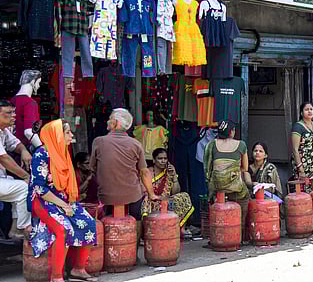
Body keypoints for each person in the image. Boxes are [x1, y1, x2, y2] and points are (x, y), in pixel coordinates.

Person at [29, 119, 97, 282]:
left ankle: (78, 269)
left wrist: (69, 204)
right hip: (43, 202)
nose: (71, 135)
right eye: (67, 132)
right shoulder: (41, 154)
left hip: (63, 200)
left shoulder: (63, 152)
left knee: (88, 222)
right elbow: (40, 189)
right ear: (56, 134)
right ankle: (57, 276)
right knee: (62, 229)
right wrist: (65, 206)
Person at [90, 108, 160, 260]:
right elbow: (144, 172)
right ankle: (132, 253)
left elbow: (92, 168)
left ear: (116, 123)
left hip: (106, 195)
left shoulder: (98, 142)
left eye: (110, 119)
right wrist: (151, 194)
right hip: (132, 194)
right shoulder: (135, 144)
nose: (108, 121)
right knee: (138, 216)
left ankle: (108, 255)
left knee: (106, 216)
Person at [203, 120, 251, 241]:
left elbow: (207, 169)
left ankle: (216, 236)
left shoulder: (211, 145)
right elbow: (245, 168)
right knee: (244, 197)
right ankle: (240, 232)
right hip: (234, 186)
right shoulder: (241, 145)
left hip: (217, 187)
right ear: (231, 132)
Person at [141, 148, 194, 237]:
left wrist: (174, 176)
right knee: (146, 201)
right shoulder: (148, 172)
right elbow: (143, 191)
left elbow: (175, 192)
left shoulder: (169, 172)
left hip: (166, 201)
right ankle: (148, 232)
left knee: (184, 196)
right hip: (151, 201)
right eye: (160, 158)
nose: (163, 161)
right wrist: (156, 197)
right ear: (154, 160)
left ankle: (180, 228)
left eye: (165, 159)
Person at [0, 100, 31, 240]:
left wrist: (24, 150)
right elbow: (4, 159)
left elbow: (15, 144)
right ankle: (22, 229)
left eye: (14, 112)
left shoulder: (4, 131)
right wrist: (26, 176)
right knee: (24, 188)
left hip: (2, 178)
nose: (13, 116)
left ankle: (14, 230)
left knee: (16, 186)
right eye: (8, 113)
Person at [291, 102, 313, 192]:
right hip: (304, 167)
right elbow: (295, 149)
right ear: (302, 113)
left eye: (311, 109)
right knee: (304, 193)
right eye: (306, 110)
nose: (309, 111)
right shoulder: (298, 127)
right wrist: (300, 169)